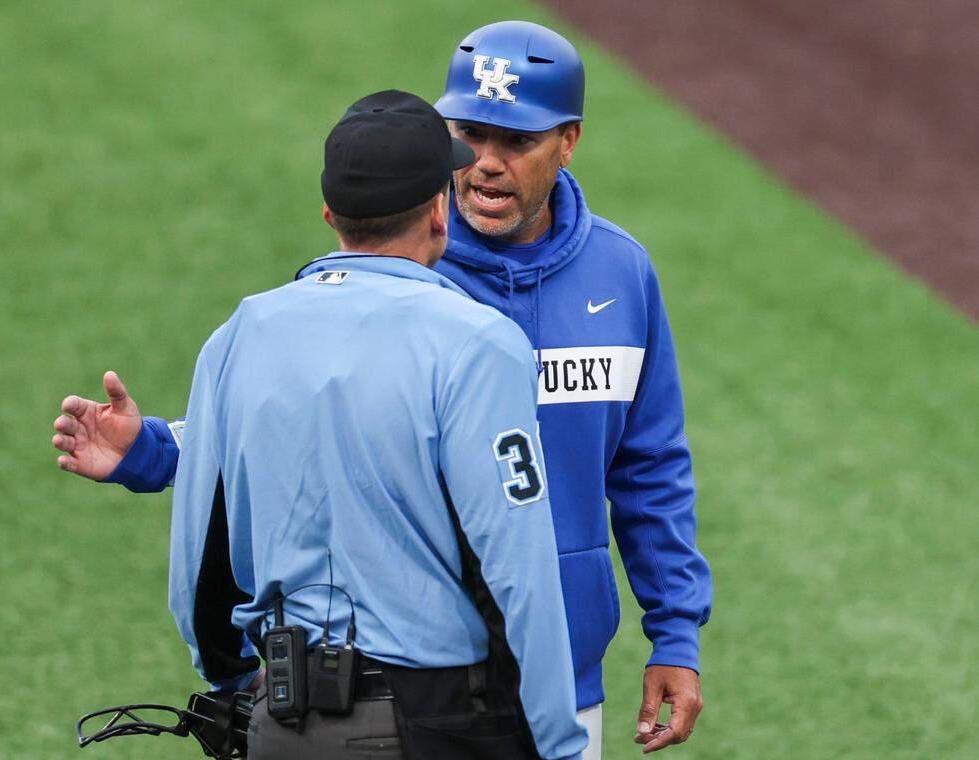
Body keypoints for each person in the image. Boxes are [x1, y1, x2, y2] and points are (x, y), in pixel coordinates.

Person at [54, 21, 710, 758]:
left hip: (563, 679)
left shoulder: (622, 275)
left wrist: (675, 634)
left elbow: (650, 467)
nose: (487, 165)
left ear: (569, 142)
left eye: (516, 143)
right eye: (470, 135)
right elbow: (307, 418)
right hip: (441, 689)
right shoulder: (399, 265)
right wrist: (149, 450)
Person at [168, 89, 586, 759]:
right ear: (437, 210)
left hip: (280, 722)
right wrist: (557, 745)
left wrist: (233, 680)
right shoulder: (478, 342)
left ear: (331, 214)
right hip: (433, 723)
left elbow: (198, 553)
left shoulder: (240, 335)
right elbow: (517, 566)